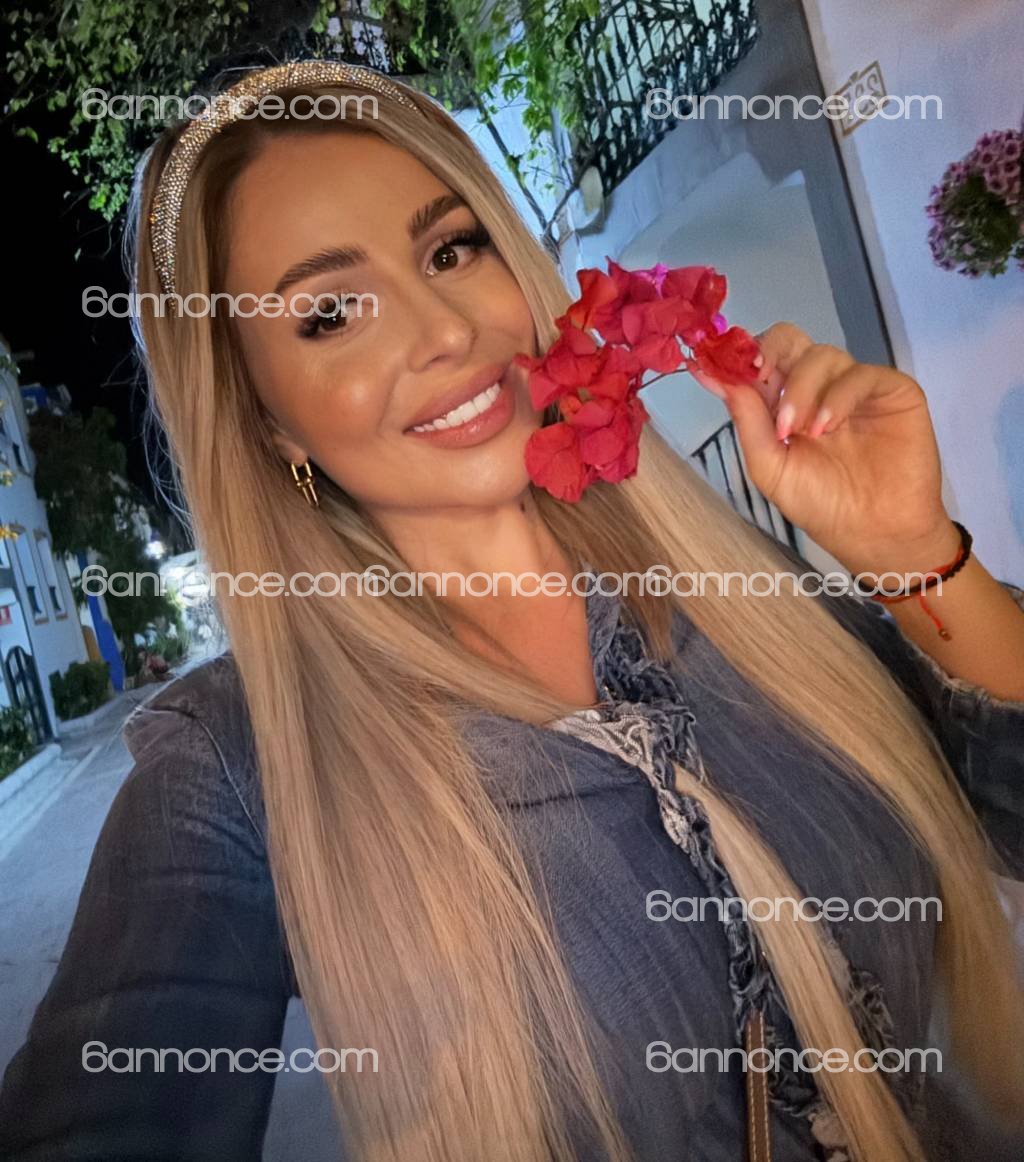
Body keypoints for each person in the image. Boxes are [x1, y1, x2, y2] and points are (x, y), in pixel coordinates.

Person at [1, 60, 1022, 1162]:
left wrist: (912, 554)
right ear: (266, 422)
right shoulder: (240, 765)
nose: (444, 329)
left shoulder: (730, 589)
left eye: (451, 250)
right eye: (330, 313)